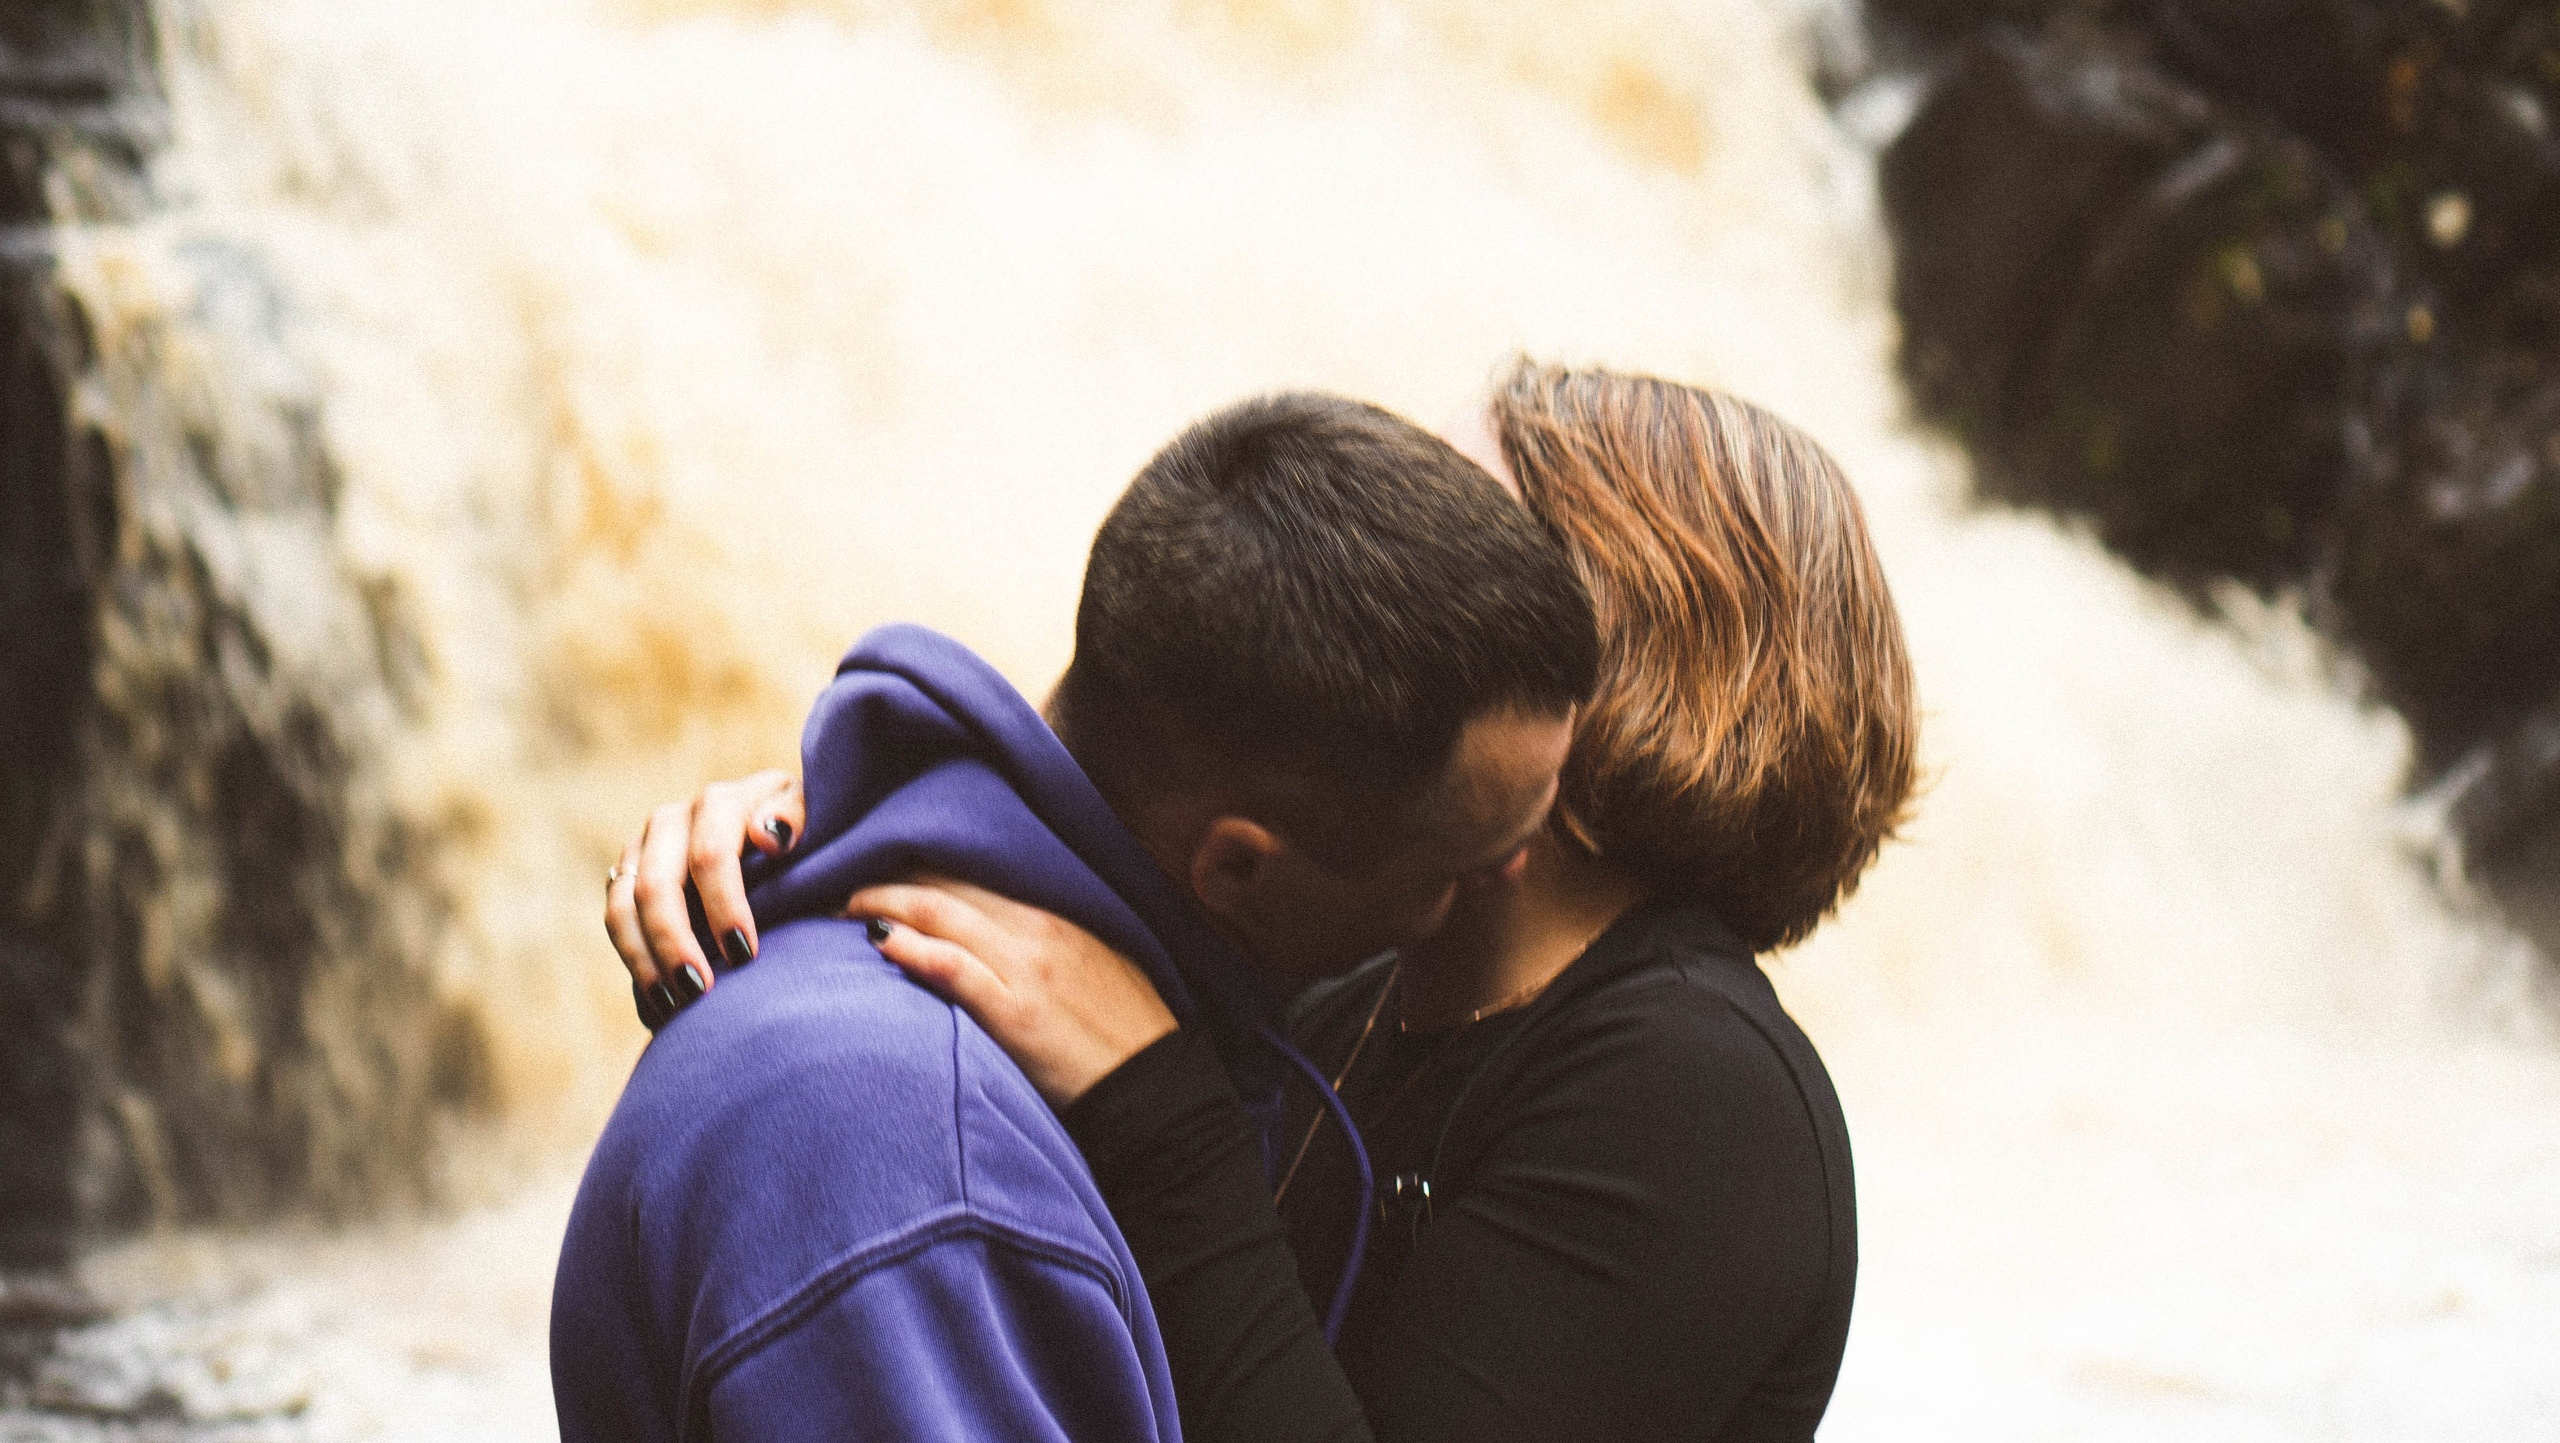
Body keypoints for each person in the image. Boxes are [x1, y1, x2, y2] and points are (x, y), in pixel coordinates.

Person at [617, 362, 1921, 1442]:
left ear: (1614, 655)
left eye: (1464, 520)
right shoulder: (1359, 964)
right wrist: (808, 833)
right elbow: (1142, 822)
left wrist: (1164, 1118)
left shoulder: (1694, 1094)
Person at [552, 392, 1598, 1442]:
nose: (1516, 873)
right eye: (1457, 867)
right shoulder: (918, 1173)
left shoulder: (1127, 1021)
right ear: (1238, 869)